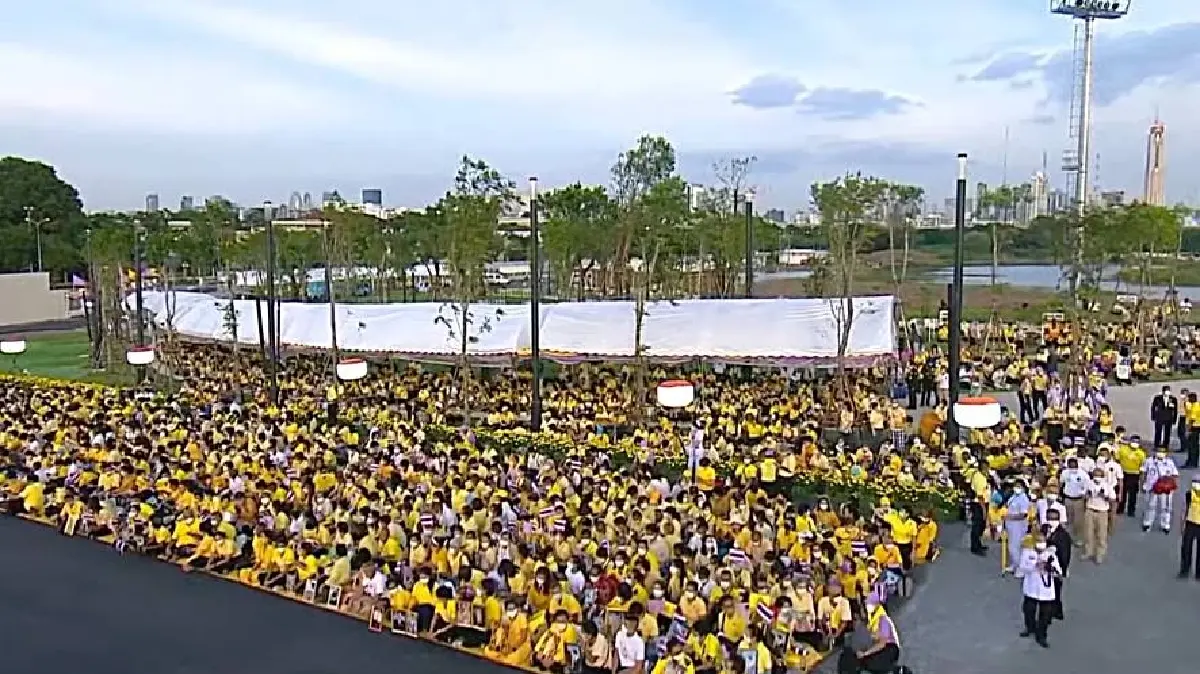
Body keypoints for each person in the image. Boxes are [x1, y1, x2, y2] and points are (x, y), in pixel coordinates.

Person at [837, 592, 900, 674]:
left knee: (872, 663)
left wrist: (865, 653)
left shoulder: (883, 619)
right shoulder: (868, 621)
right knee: (848, 655)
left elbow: (882, 643)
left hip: (889, 648)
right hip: (874, 647)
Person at [1018, 535, 1060, 648]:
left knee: (1045, 614)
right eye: (1038, 541)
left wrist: (1048, 568)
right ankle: (1030, 628)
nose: (1040, 544)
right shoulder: (1027, 552)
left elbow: (1058, 572)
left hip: (1045, 591)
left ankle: (1041, 635)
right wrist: (1035, 566)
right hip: (1031, 588)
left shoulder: (1051, 555)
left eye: (1042, 541)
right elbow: (1022, 567)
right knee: (1028, 609)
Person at [1141, 449, 1180, 534]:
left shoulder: (1170, 462)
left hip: (1165, 489)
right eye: (1159, 451)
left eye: (1162, 451)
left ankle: (1165, 525)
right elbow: (1143, 473)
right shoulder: (1149, 461)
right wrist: (1143, 484)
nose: (1160, 453)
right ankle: (1147, 523)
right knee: (1150, 506)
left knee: (1165, 508)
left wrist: (1169, 484)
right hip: (1152, 488)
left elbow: (1175, 475)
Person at [1042, 511, 1071, 622]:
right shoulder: (1044, 529)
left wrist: (1063, 569)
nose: (1051, 521)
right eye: (1049, 518)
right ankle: (1053, 612)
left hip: (1056, 567)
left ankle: (1056, 612)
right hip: (1045, 567)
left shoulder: (1063, 535)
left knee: (1056, 591)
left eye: (1054, 518)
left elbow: (1065, 554)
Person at [1082, 467, 1116, 564]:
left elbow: (1112, 500)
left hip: (1102, 512)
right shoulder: (1088, 483)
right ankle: (1088, 552)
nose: (1097, 477)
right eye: (1095, 475)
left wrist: (1104, 496)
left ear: (1102, 476)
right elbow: (1084, 496)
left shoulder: (1107, 486)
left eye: (1099, 475)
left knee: (1101, 534)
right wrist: (1087, 495)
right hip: (1090, 510)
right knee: (1088, 533)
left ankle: (1099, 554)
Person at [1002, 480, 1031, 575]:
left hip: (1018, 526)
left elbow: (1023, 515)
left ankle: (1020, 568)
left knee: (1015, 547)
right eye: (1015, 486)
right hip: (1010, 525)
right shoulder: (1014, 497)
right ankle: (1014, 565)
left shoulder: (1023, 499)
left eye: (1019, 486)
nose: (1016, 488)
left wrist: (1010, 517)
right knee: (1012, 546)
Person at [1115, 437, 1146, 517]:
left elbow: (1142, 466)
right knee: (1122, 491)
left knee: (1133, 494)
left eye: (1136, 442)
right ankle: (1120, 508)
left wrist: (1142, 479)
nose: (1134, 443)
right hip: (1123, 473)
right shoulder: (1122, 450)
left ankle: (1131, 511)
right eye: (1133, 441)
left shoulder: (1141, 453)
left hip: (1135, 474)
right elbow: (1117, 460)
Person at [1179, 475, 1200, 580]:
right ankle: (1184, 570)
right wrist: (1182, 524)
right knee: (1186, 548)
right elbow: (1185, 509)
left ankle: (1199, 573)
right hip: (1190, 522)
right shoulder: (1189, 494)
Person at [1151, 386, 1179, 450]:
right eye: (1166, 390)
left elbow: (1175, 410)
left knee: (1167, 433)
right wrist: (1153, 416)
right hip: (1159, 418)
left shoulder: (1173, 399)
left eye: (1169, 390)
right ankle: (1156, 445)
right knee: (1158, 432)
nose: (1168, 391)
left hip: (1168, 418)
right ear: (1163, 391)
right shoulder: (1157, 398)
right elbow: (1153, 407)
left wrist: (1174, 419)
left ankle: (1166, 445)